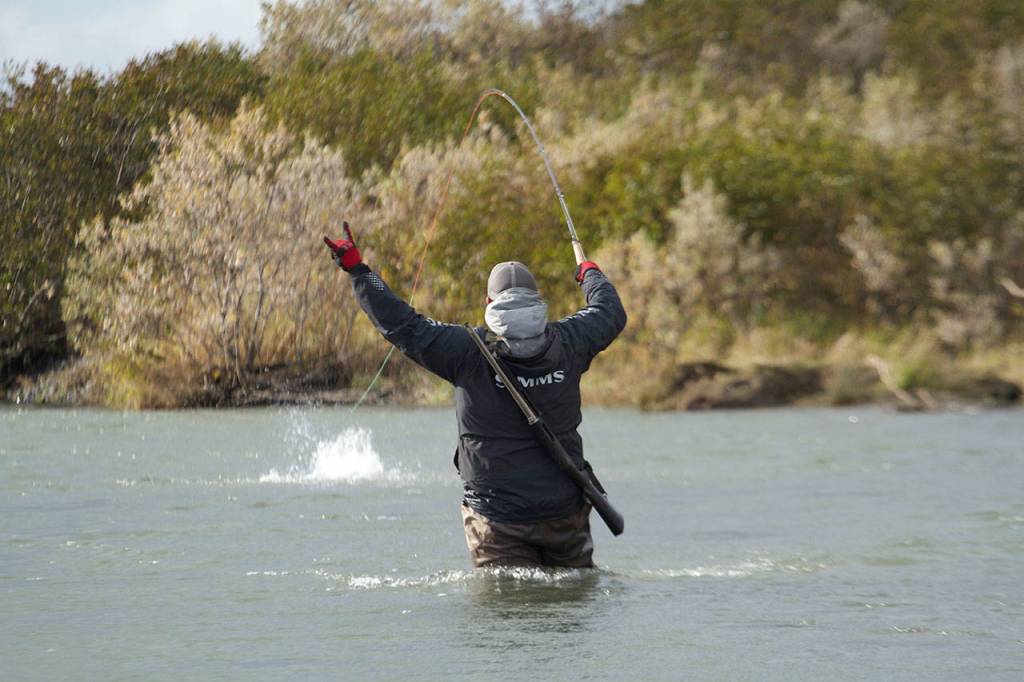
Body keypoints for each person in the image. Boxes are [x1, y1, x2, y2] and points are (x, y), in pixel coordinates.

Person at [324, 222, 626, 568]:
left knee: (503, 614)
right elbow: (609, 311)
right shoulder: (571, 341)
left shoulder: (465, 351)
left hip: (496, 522)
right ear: (537, 299)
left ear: (489, 302)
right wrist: (591, 274)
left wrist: (358, 270)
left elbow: (402, 324)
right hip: (565, 516)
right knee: (567, 613)